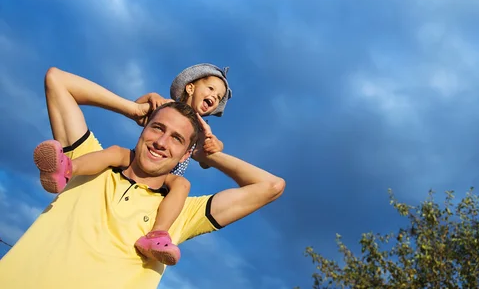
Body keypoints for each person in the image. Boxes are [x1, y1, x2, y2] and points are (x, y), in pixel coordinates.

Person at [0, 67, 285, 289]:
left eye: (176, 139)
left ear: (185, 154)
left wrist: (208, 154)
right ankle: (62, 170)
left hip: (169, 206)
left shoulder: (179, 213)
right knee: (88, 160)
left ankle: (161, 220)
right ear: (143, 128)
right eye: (157, 128)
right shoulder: (91, 163)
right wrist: (133, 108)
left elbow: (271, 186)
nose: (162, 142)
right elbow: (57, 80)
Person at [31, 63, 233, 265]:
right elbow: (139, 110)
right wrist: (148, 99)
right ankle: (66, 168)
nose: (214, 97)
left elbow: (206, 162)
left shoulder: (201, 130)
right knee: (115, 153)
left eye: (218, 97)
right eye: (211, 89)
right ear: (190, 88)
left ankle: (157, 234)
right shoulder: (166, 104)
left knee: (182, 185)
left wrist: (216, 146)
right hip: (139, 158)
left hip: (166, 176)